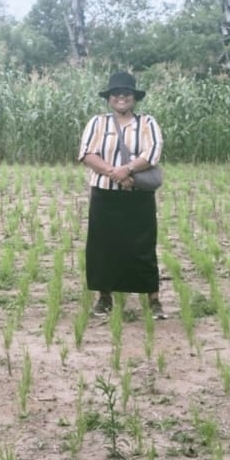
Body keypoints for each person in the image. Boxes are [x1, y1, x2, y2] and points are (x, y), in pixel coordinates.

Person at [76, 71, 166, 318]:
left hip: (138, 196)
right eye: (116, 93)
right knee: (102, 246)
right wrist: (114, 173)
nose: (121, 97)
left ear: (134, 97)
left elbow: (153, 152)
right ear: (109, 98)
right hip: (105, 195)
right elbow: (86, 153)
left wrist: (127, 169)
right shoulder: (97, 123)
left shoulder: (147, 123)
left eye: (126, 93)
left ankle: (153, 298)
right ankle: (104, 298)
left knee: (142, 246)